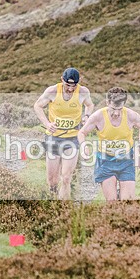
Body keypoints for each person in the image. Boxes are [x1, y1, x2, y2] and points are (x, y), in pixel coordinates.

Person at [33, 68, 94, 199]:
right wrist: (47, 124)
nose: (71, 89)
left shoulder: (83, 92)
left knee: (66, 178)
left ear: (79, 82)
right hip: (53, 138)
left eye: (74, 86)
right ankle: (53, 199)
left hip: (72, 139)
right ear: (62, 80)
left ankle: (63, 208)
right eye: (68, 85)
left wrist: (87, 116)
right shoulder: (52, 91)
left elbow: (89, 105)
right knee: (52, 181)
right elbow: (37, 106)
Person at [78, 87, 140, 201]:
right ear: (107, 102)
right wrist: (83, 146)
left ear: (124, 104)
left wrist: (138, 151)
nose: (116, 113)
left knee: (127, 202)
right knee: (112, 202)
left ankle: (123, 194)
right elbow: (82, 132)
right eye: (113, 109)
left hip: (126, 161)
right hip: (105, 162)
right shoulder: (98, 116)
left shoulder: (131, 115)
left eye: (119, 109)